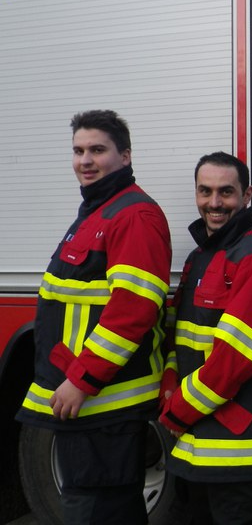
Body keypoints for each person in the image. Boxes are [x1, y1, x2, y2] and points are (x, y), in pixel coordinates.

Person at [16, 110, 172, 524]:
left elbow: (132, 311)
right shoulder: (98, 210)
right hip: (88, 403)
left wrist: (82, 380)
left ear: (125, 155)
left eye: (97, 150)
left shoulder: (134, 216)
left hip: (104, 404)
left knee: (95, 510)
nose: (85, 160)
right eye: (78, 151)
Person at [158, 152, 252, 524]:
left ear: (247, 195)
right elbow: (182, 337)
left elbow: (235, 359)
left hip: (239, 453)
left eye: (226, 192)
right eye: (205, 191)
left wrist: (178, 410)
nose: (214, 202)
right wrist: (169, 382)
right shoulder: (199, 258)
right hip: (195, 446)